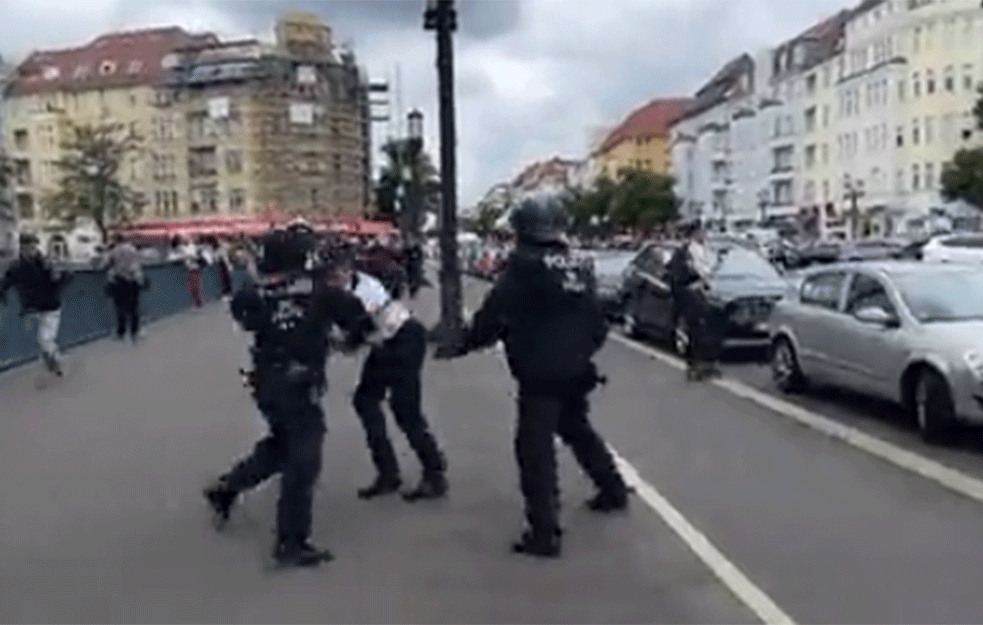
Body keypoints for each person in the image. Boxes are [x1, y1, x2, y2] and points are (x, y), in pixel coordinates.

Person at [435, 195, 629, 559]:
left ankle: (544, 532)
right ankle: (613, 489)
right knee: (578, 430)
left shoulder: (523, 266)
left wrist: (463, 344)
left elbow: (493, 315)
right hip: (577, 369)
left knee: (534, 449)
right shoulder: (579, 264)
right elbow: (597, 321)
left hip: (539, 373)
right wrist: (582, 352)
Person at [202, 224, 375, 568]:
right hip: (299, 381)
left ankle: (228, 487)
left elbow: (244, 318)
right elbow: (361, 322)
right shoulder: (322, 290)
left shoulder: (257, 290)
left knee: (283, 443)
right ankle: (290, 540)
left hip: (264, 379)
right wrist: (343, 342)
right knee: (303, 458)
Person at [327, 248, 448, 501]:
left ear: (347, 272)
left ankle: (434, 474)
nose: (330, 282)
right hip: (386, 343)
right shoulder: (351, 286)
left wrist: (337, 344)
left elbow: (358, 332)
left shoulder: (363, 291)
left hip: (405, 341)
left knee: (406, 411)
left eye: (334, 276)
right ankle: (388, 472)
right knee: (365, 400)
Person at [0, 232, 73, 376]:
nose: (29, 250)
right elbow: (7, 281)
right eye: (27, 247)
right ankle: (53, 359)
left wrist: (59, 277)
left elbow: (63, 277)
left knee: (45, 338)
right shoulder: (18, 266)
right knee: (44, 339)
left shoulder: (45, 263)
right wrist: (2, 292)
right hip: (34, 307)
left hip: (50, 305)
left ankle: (54, 360)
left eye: (32, 247)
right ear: (22, 248)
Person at [668, 221, 723, 381]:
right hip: (690, 297)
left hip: (702, 295)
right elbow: (679, 277)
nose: (704, 235)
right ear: (694, 234)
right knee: (696, 331)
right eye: (701, 232)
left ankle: (705, 366)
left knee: (706, 331)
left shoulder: (703, 250)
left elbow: (707, 271)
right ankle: (695, 367)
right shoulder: (685, 252)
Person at [103, 234, 145, 342]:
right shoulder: (133, 249)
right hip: (133, 279)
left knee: (120, 307)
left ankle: (121, 332)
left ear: (116, 240)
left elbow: (106, 264)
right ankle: (134, 331)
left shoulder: (114, 251)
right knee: (134, 307)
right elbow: (139, 263)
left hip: (120, 280)